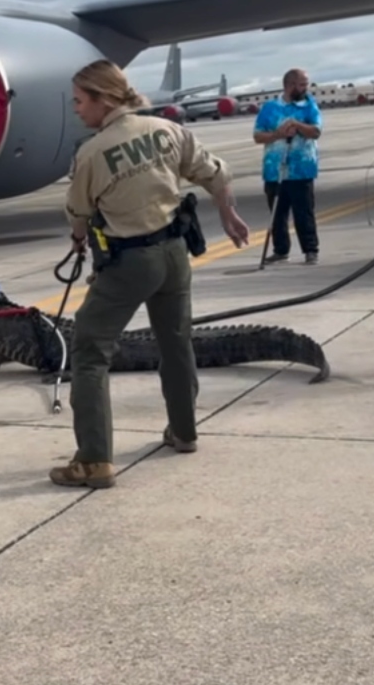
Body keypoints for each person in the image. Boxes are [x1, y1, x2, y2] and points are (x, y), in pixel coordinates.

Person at [52, 59, 252, 490]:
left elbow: (79, 213)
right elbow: (215, 173)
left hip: (129, 262)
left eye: (80, 101)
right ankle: (184, 431)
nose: (77, 111)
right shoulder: (166, 130)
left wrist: (79, 239)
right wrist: (229, 213)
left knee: (89, 350)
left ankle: (94, 460)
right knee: (176, 342)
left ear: (103, 100)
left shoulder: (91, 152)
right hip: (174, 254)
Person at [252, 68, 323, 264]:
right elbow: (258, 135)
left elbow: (316, 131)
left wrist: (297, 125)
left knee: (304, 212)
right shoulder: (270, 108)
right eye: (302, 84)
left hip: (301, 170)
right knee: (277, 213)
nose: (305, 88)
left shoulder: (309, 106)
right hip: (275, 169)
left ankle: (310, 249)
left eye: (306, 84)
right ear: (290, 85)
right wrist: (278, 134)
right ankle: (281, 249)